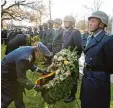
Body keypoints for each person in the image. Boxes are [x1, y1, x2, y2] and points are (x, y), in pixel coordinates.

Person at [1, 42, 53, 108]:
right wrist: (35, 86)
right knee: (7, 97)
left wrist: (40, 70)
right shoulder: (24, 58)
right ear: (38, 53)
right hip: (6, 74)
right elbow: (22, 79)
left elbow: (29, 62)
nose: (43, 60)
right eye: (43, 58)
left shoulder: (31, 51)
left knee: (18, 93)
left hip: (14, 72)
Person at [80, 11, 113, 108]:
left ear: (102, 24)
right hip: (87, 78)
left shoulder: (108, 40)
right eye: (89, 21)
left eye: (93, 21)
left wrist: (100, 73)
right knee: (86, 104)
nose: (90, 23)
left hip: (99, 82)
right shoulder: (90, 37)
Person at [62, 15, 82, 103]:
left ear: (71, 23)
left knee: (73, 78)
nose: (65, 23)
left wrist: (74, 58)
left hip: (72, 59)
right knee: (66, 76)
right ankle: (67, 92)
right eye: (64, 21)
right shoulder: (65, 32)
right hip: (64, 59)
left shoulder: (75, 32)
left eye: (67, 21)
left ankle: (72, 95)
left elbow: (79, 47)